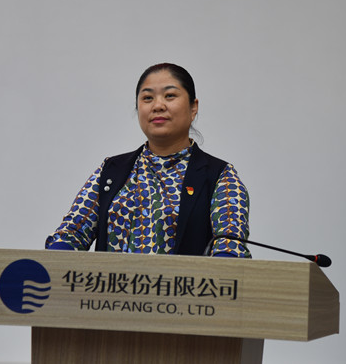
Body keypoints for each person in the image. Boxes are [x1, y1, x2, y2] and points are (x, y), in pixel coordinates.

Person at [45, 63, 250, 257]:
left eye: (170, 96)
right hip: (114, 285)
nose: (158, 106)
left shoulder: (219, 176)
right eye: (147, 98)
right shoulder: (111, 170)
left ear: (193, 107)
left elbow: (230, 247)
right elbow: (71, 234)